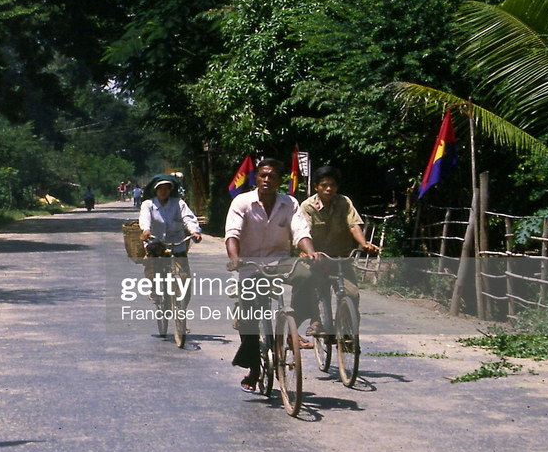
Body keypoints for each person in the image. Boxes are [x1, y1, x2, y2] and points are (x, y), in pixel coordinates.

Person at [225, 158, 318, 392]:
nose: (267, 180)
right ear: (257, 177)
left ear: (280, 181)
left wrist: (310, 252)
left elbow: (300, 232)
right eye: (263, 175)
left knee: (307, 275)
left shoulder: (290, 203)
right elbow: (232, 234)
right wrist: (235, 259)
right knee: (249, 316)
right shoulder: (242, 202)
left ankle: (293, 325)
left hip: (280, 262)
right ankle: (254, 368)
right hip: (249, 265)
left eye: (272, 176)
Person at [299, 165, 380, 337]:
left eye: (333, 185)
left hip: (341, 259)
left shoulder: (344, 202)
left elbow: (354, 225)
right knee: (314, 289)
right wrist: (309, 252)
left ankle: (348, 332)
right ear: (316, 187)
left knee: (352, 294)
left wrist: (364, 244)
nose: (329, 189)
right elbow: (304, 231)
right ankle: (317, 321)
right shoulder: (307, 206)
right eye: (324, 185)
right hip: (318, 258)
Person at [140, 174, 203, 327]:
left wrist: (195, 231)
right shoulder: (148, 204)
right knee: (152, 265)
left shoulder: (179, 203)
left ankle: (180, 312)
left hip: (177, 244)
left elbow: (188, 218)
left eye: (166, 188)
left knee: (184, 280)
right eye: (160, 188)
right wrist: (146, 230)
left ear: (170, 190)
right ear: (155, 191)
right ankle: (155, 289)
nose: (163, 191)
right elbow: (144, 219)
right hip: (157, 243)